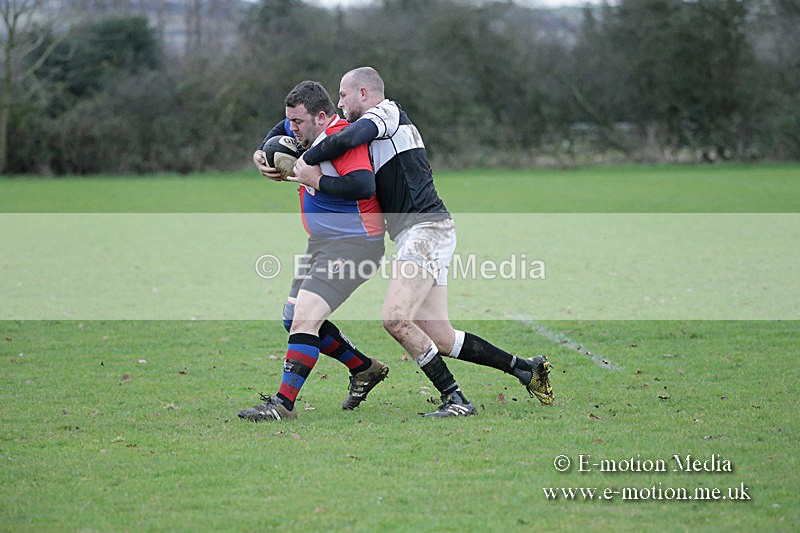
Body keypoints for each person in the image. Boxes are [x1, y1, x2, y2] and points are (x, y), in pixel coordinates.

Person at [291, 67, 553, 417]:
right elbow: (310, 131)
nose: (339, 104)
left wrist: (308, 167)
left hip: (426, 228)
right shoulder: (371, 126)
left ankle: (456, 399)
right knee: (441, 337)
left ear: (365, 93)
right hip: (423, 231)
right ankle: (525, 368)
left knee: (396, 319)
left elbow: (345, 140)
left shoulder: (386, 113)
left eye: (343, 95)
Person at [239, 80, 389, 422]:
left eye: (298, 122)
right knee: (294, 318)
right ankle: (364, 368)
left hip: (356, 245)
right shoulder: (313, 130)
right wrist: (262, 152)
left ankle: (283, 404)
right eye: (289, 121)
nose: (291, 129)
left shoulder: (340, 140)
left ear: (322, 117)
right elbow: (282, 128)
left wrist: (314, 179)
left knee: (305, 316)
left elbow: (364, 185)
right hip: (322, 244)